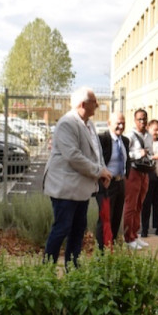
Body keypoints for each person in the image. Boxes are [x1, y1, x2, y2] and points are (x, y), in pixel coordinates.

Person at [43, 87, 110, 270]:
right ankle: (46, 271)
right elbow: (73, 156)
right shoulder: (67, 123)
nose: (97, 105)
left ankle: (72, 269)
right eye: (94, 102)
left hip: (80, 189)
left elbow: (96, 151)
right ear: (83, 104)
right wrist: (98, 171)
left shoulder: (89, 124)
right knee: (62, 229)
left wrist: (102, 169)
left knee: (78, 230)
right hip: (65, 188)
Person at [96, 111, 131, 250]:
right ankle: (101, 252)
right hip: (106, 185)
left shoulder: (125, 141)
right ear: (109, 123)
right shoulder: (102, 139)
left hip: (120, 183)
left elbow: (127, 159)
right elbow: (96, 159)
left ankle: (111, 248)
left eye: (123, 123)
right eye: (118, 123)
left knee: (116, 219)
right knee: (106, 219)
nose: (121, 126)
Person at [123, 108, 156, 250]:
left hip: (145, 172)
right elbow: (124, 154)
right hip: (133, 171)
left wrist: (151, 157)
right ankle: (127, 237)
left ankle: (134, 234)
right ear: (135, 120)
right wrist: (138, 154)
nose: (142, 121)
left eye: (144, 119)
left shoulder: (148, 136)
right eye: (139, 119)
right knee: (130, 205)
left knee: (139, 204)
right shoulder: (129, 136)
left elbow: (150, 152)